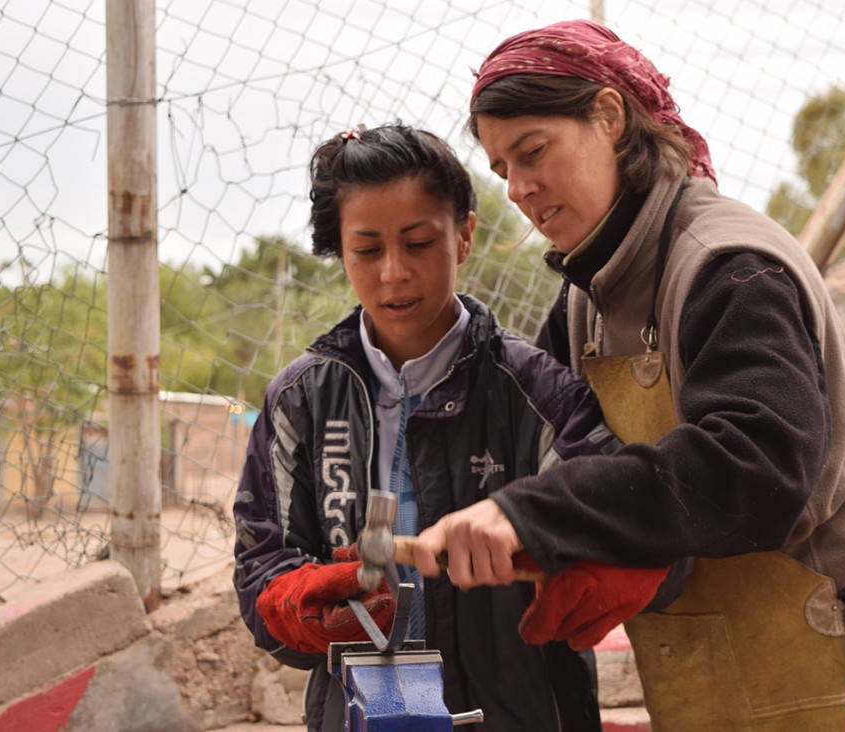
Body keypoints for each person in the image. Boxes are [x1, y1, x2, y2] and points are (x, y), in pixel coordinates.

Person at [410, 19, 845, 731]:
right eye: (501, 170)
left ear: (608, 116)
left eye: (533, 152)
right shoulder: (586, 294)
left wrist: (535, 514)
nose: (518, 188)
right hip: (728, 668)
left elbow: (754, 468)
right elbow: (537, 450)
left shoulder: (728, 267)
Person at [231, 123, 634, 732]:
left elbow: (621, 522)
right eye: (367, 250)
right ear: (341, 252)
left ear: (465, 235)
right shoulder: (301, 399)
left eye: (418, 242)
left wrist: (548, 549)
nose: (393, 273)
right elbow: (262, 566)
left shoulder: (535, 391)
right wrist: (297, 605)